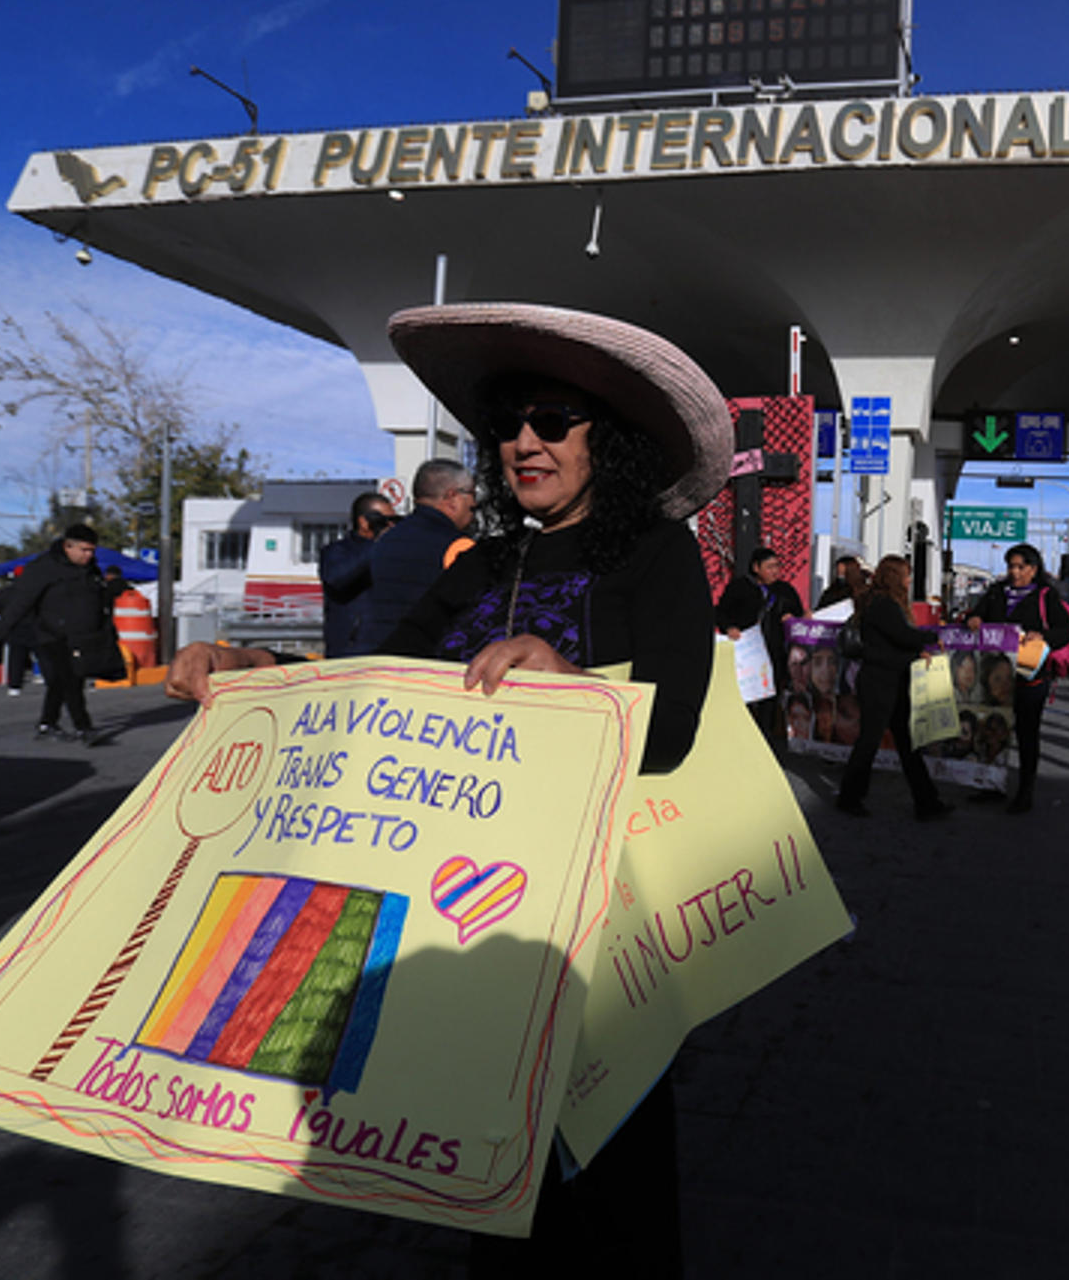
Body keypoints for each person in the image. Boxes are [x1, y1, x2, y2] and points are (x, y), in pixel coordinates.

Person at [166, 302, 732, 1271]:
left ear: (610, 437)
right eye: (508, 422)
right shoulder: (484, 565)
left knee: (615, 1196)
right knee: (497, 1194)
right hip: (469, 920)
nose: (523, 443)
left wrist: (568, 685)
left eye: (553, 420)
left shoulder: (656, 553)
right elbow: (378, 676)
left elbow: (674, 727)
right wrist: (248, 661)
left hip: (594, 929)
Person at [835, 554, 949, 820]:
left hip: (889, 679)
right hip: (880, 682)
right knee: (871, 741)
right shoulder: (883, 604)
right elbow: (902, 637)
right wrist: (932, 637)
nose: (909, 580)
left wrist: (914, 653)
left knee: (906, 742)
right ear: (895, 578)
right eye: (906, 575)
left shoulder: (879, 602)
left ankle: (927, 801)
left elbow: (890, 645)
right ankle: (850, 797)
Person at [965, 543, 1069, 814]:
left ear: (1033, 569)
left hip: (1031, 678)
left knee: (1027, 735)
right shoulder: (995, 592)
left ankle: (1025, 792)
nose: (1015, 572)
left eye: (1020, 567)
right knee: (992, 729)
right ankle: (990, 784)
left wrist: (1045, 636)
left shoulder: (1046, 595)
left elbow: (1066, 630)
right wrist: (974, 618)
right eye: (1011, 566)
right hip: (994, 678)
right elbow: (973, 615)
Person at [0, 524, 108, 744]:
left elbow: (96, 598)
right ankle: (84, 727)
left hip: (80, 635)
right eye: (84, 550)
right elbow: (21, 601)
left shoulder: (89, 570)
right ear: (68, 546)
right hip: (50, 633)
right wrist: (0, 629)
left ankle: (47, 723)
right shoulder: (44, 567)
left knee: (60, 681)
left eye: (92, 550)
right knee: (71, 678)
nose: (89, 555)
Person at [358, 459, 477, 653]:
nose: (474, 504)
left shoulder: (385, 540)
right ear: (452, 497)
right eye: (471, 495)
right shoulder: (459, 546)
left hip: (376, 656)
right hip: (426, 663)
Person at [715, 546, 805, 748]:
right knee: (743, 697)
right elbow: (721, 613)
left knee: (769, 698)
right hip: (746, 653)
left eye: (777, 566)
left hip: (773, 653)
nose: (775, 571)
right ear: (756, 567)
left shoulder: (785, 590)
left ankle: (765, 739)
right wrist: (729, 627)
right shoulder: (739, 587)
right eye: (769, 566)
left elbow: (799, 615)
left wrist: (793, 618)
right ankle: (739, 738)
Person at [319, 490, 397, 657]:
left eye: (394, 520)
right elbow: (336, 578)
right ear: (364, 522)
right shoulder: (337, 551)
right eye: (385, 521)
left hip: (386, 646)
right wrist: (377, 545)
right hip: (350, 649)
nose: (392, 526)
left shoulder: (392, 551)